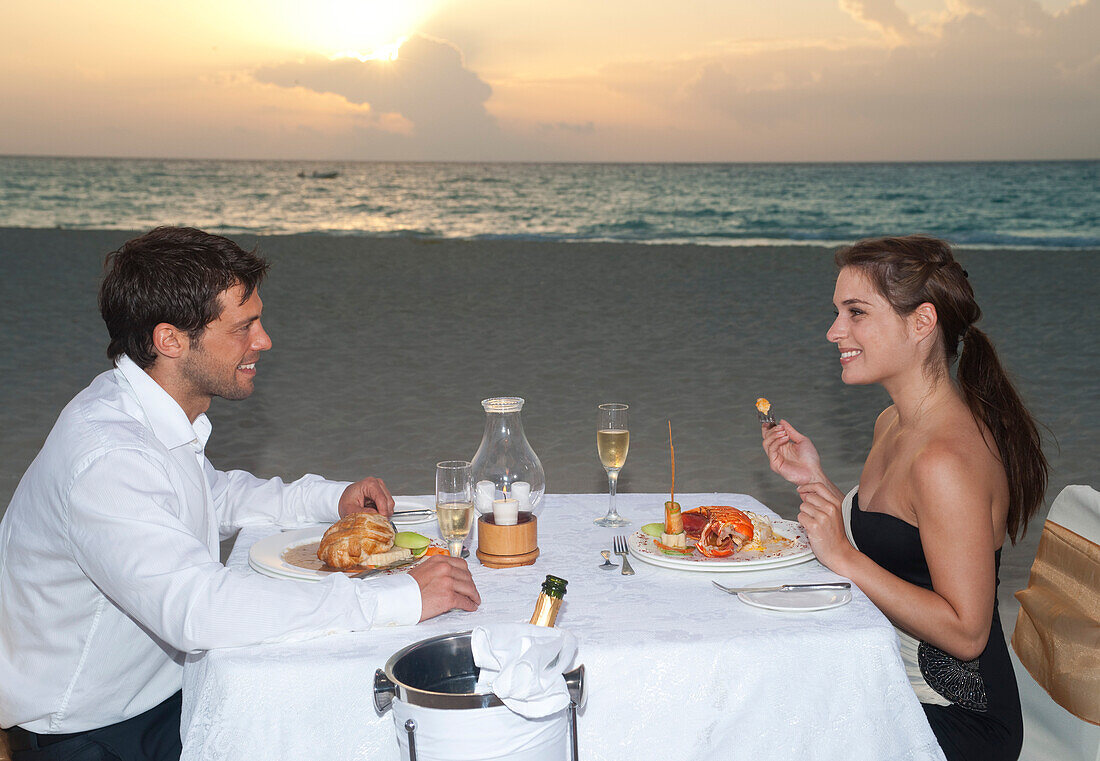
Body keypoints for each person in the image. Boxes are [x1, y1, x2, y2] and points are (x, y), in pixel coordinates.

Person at [0, 227, 481, 761]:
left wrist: (333, 499)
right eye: (244, 326)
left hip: (161, 694)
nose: (264, 340)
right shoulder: (109, 457)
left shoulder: (138, 406)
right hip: (90, 731)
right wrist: (401, 598)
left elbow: (214, 495)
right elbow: (199, 610)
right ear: (171, 341)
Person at [762, 235, 1047, 761]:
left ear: (921, 323)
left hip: (955, 721)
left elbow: (966, 633)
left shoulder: (945, 460)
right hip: (888, 674)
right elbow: (893, 544)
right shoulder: (892, 422)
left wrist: (841, 557)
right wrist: (814, 481)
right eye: (836, 312)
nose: (834, 331)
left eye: (856, 313)